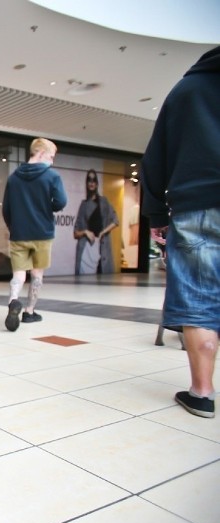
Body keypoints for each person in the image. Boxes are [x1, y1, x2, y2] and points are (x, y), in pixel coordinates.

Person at [141, 45, 219, 419]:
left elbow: (155, 157)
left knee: (199, 299)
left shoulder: (186, 91)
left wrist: (157, 214)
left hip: (196, 205)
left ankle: (202, 393)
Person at [2, 137, 67, 331]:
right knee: (37, 274)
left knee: (19, 274)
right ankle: (29, 312)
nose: (52, 161)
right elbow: (61, 202)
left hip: (19, 233)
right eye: (51, 156)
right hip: (42, 233)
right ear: (40, 153)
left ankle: (13, 301)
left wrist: (13, 226)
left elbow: (6, 209)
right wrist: (49, 205)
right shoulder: (52, 176)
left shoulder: (13, 178)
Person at [74, 169, 119, 274]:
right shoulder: (83, 204)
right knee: (84, 285)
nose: (91, 182)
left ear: (97, 183)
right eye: (89, 180)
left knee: (103, 283)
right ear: (86, 183)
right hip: (86, 249)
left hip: (102, 247)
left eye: (94, 180)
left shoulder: (104, 201)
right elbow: (75, 233)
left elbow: (115, 220)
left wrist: (103, 232)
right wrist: (85, 232)